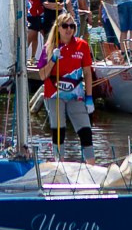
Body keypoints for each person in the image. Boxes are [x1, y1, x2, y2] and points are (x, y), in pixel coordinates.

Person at [38, 14, 94, 156]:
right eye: (65, 26)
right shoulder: (49, 47)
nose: (68, 29)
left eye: (72, 26)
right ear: (58, 28)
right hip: (55, 94)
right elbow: (42, 75)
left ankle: (91, 165)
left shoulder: (82, 46)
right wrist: (53, 59)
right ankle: (59, 163)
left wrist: (89, 97)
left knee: (85, 131)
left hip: (75, 94)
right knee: (59, 130)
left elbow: (87, 73)